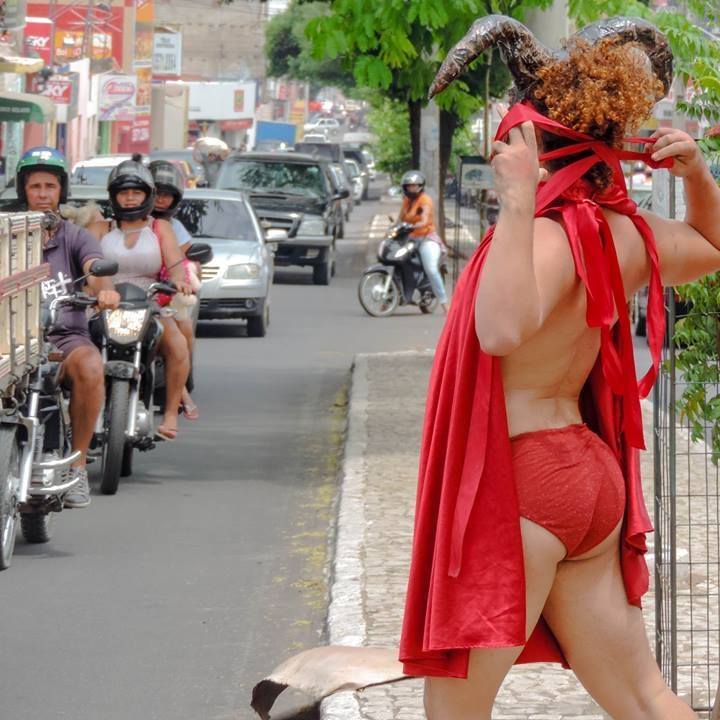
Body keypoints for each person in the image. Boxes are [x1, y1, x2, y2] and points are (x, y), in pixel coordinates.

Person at [250, 15, 720, 720]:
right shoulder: (626, 231)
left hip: (522, 483)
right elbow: (712, 249)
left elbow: (500, 332)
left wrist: (519, 201)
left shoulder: (543, 236)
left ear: (535, 144)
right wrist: (699, 177)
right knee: (644, 699)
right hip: (591, 478)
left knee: (455, 713)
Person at [16, 147, 120, 508]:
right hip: (11, 341)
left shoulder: (75, 236)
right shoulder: (8, 233)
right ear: (24, 190)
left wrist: (104, 291)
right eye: (35, 187)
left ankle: (76, 467)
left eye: (50, 186)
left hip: (65, 338)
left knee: (91, 366)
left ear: (62, 190)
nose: (43, 194)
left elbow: (95, 268)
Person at [100, 158, 192, 441]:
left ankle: (170, 413)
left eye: (136, 192)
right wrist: (99, 289)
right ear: (113, 196)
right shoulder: (100, 227)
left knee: (178, 347)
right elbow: (87, 265)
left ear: (147, 195)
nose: (130, 198)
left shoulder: (160, 227)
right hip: (105, 304)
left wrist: (179, 280)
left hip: (148, 303)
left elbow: (175, 262)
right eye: (123, 192)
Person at [149, 159, 199, 421]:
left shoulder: (174, 228)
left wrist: (181, 280)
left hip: (164, 293)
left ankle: (181, 387)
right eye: (156, 192)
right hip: (127, 295)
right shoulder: (114, 223)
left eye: (166, 194)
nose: (160, 199)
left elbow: (184, 263)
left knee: (184, 329)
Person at [399, 171, 450, 313]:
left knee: (431, 269)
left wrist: (418, 224)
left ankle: (445, 303)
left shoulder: (425, 200)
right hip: (410, 239)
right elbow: (400, 218)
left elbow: (425, 218)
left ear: (420, 186)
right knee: (397, 262)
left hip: (426, 239)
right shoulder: (406, 201)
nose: (412, 188)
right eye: (409, 186)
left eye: (414, 185)